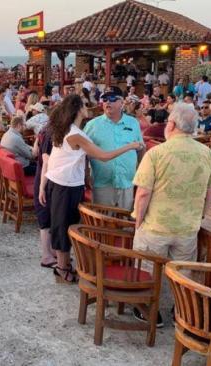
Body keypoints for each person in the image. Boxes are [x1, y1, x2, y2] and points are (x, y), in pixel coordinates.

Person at [132, 103, 211, 325]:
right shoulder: (206, 153)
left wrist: (138, 222)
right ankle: (181, 309)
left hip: (156, 225)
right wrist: (202, 215)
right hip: (187, 226)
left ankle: (147, 310)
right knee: (183, 272)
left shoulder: (157, 153)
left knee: (147, 269)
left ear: (170, 124)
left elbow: (143, 193)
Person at [38, 94, 142, 283]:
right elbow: (102, 156)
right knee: (63, 226)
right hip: (65, 186)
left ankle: (64, 264)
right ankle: (62, 267)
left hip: (65, 184)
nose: (89, 107)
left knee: (66, 224)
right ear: (78, 110)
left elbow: (73, 159)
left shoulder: (68, 129)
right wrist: (130, 146)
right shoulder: (75, 134)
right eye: (85, 105)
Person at [83, 90, 144, 210]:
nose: (107, 102)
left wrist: (140, 171)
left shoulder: (133, 123)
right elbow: (83, 153)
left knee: (124, 222)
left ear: (122, 102)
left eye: (112, 99)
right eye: (104, 99)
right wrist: (85, 174)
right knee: (102, 221)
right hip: (102, 182)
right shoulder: (92, 125)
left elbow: (140, 147)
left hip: (126, 182)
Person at [34, 124, 57, 269]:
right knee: (46, 217)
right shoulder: (52, 133)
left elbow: (35, 151)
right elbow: (46, 161)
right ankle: (47, 255)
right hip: (46, 178)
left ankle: (51, 252)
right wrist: (42, 187)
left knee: (47, 217)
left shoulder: (43, 130)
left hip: (41, 175)